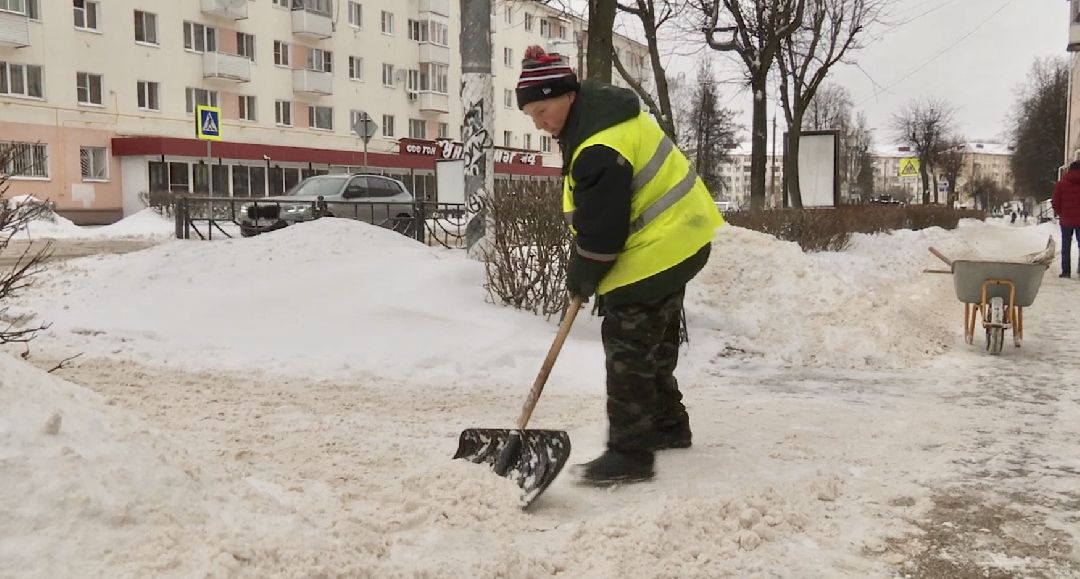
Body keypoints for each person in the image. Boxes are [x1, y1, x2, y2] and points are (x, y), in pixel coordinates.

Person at [515, 46, 725, 485]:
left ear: (567, 95)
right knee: (651, 339)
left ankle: (630, 454)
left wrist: (583, 276)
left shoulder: (598, 144)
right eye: (532, 114)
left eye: (543, 109)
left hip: (661, 244)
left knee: (628, 343)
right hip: (683, 234)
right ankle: (667, 425)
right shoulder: (604, 117)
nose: (539, 122)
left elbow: (603, 234)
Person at [1052, 161, 1080, 278]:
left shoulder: (1062, 183)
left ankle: (1066, 272)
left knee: (1066, 246)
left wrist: (1061, 213)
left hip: (1066, 220)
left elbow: (1055, 202)